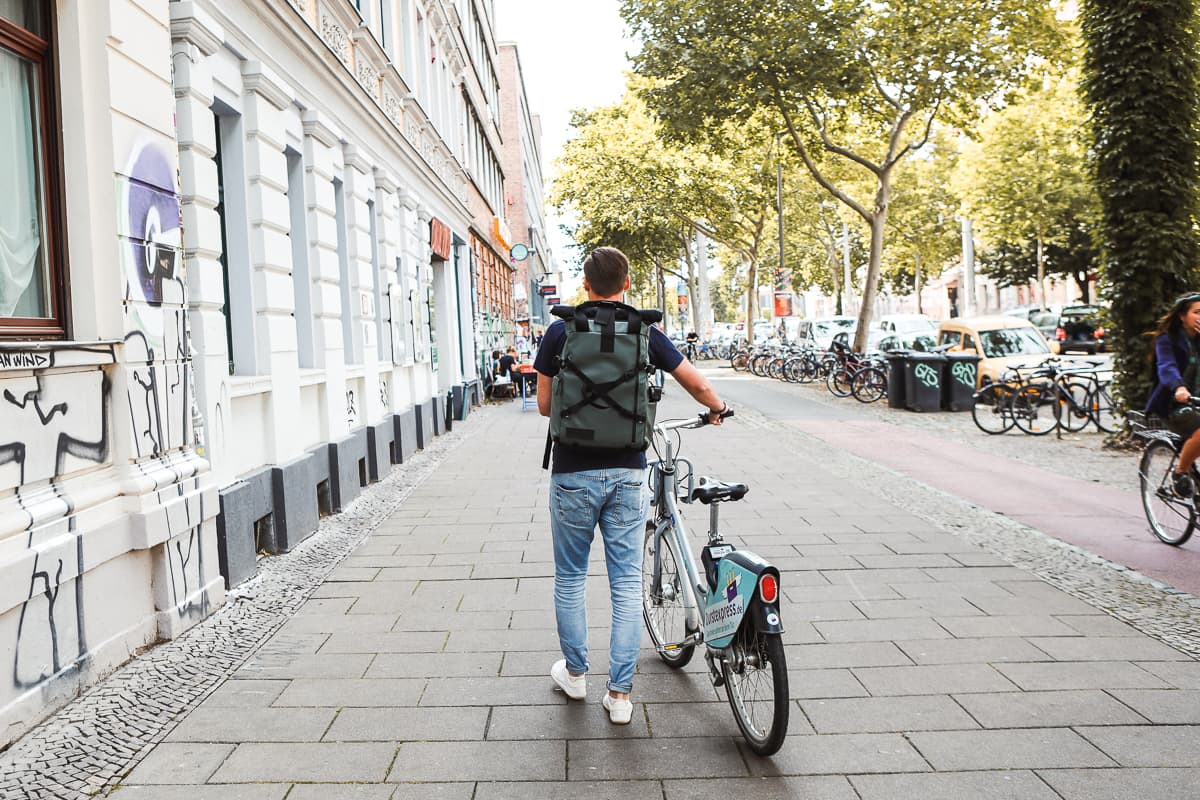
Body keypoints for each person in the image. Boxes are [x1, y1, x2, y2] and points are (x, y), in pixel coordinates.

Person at [534, 246, 728, 725]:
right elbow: (697, 384)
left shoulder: (560, 331)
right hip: (627, 471)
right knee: (624, 583)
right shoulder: (646, 332)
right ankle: (620, 695)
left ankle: (575, 675)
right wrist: (717, 409)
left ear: (585, 284)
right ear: (626, 284)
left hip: (572, 472)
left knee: (570, 578)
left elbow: (544, 406)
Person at [1147, 293, 1200, 496]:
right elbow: (1166, 366)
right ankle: (1180, 473)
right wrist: (1179, 387)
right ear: (1182, 316)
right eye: (1197, 312)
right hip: (1174, 403)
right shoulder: (1167, 339)